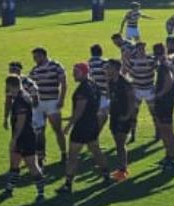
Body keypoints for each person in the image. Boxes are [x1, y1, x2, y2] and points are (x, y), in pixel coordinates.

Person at [59, 63, 112, 195]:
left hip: (81, 127)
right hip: (92, 124)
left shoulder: (82, 89)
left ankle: (68, 185)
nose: (73, 74)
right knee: (95, 150)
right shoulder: (94, 85)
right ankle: (106, 176)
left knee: (73, 156)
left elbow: (80, 111)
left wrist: (69, 125)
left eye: (76, 72)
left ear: (84, 72)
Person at [4, 76, 46, 201]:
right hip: (25, 135)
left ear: (10, 85)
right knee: (14, 163)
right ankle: (9, 188)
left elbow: (21, 122)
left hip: (25, 137)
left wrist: (14, 139)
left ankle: (41, 192)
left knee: (32, 164)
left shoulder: (20, 100)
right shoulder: (24, 96)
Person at [30, 47, 68, 166]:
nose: (35, 59)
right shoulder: (34, 70)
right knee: (39, 131)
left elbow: (63, 83)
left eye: (37, 57)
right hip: (39, 104)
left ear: (43, 56)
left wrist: (61, 99)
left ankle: (64, 153)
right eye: (34, 57)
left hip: (52, 102)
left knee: (57, 129)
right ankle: (40, 156)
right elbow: (30, 86)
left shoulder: (56, 66)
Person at [150, 44, 174, 171]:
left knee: (167, 131)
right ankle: (168, 156)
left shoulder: (164, 66)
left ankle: (172, 159)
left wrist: (160, 94)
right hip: (163, 102)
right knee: (163, 130)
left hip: (165, 103)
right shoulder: (165, 63)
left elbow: (169, 81)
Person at [122, 39, 156, 143]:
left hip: (149, 89)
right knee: (134, 113)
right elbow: (125, 71)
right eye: (140, 49)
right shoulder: (132, 60)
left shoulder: (151, 59)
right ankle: (133, 134)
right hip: (137, 89)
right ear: (136, 49)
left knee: (153, 112)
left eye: (143, 48)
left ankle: (157, 132)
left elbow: (158, 69)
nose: (142, 51)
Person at [105, 60, 134, 182]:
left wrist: (128, 116)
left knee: (121, 143)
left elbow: (132, 100)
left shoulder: (125, 83)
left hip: (123, 116)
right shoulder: (110, 82)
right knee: (118, 142)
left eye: (109, 67)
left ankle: (123, 170)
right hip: (114, 115)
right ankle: (121, 168)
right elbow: (109, 97)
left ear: (116, 69)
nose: (107, 70)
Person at [87, 44, 111, 124]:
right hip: (104, 92)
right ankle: (96, 129)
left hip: (93, 92)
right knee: (103, 114)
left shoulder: (90, 62)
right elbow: (108, 78)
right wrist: (108, 91)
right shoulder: (104, 62)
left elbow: (89, 76)